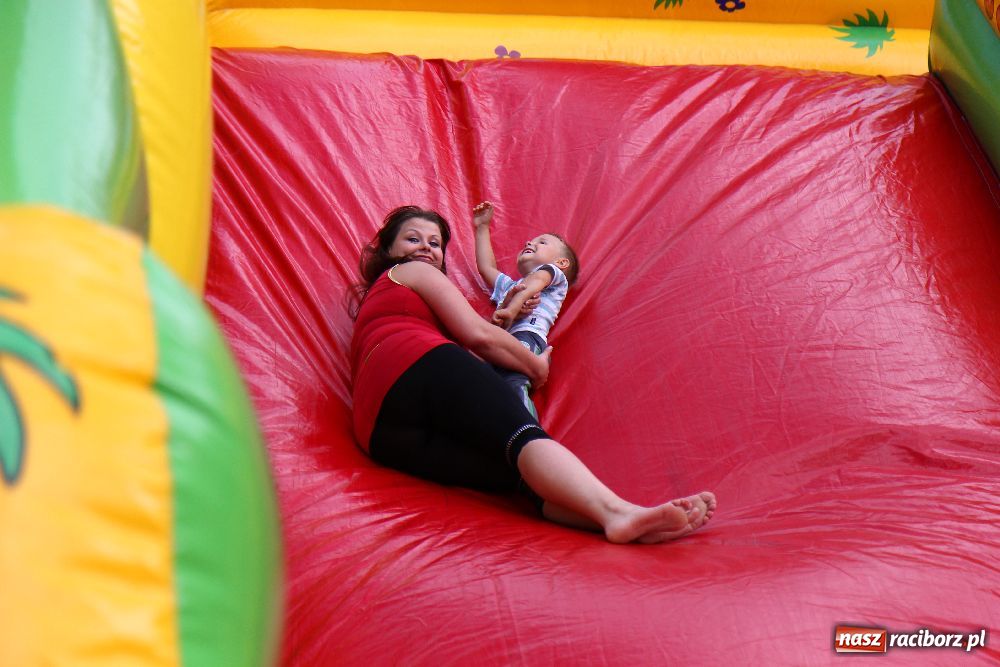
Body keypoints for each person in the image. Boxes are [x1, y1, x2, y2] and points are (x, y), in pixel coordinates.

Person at [350, 204, 716, 544]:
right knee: (520, 433)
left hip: (380, 434)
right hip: (411, 364)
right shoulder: (411, 272)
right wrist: (534, 365)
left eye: (435, 244)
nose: (426, 249)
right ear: (388, 251)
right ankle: (620, 511)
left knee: (516, 478)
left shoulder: (384, 303)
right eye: (413, 239)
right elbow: (478, 334)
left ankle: (618, 522)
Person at [472, 201, 578, 418]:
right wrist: (482, 228)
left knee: (514, 380)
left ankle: (528, 428)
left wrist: (511, 310)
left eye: (543, 242)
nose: (530, 242)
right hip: (500, 343)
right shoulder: (511, 286)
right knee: (486, 385)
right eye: (532, 240)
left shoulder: (552, 274)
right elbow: (486, 268)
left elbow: (535, 283)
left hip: (527, 336)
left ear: (561, 262)